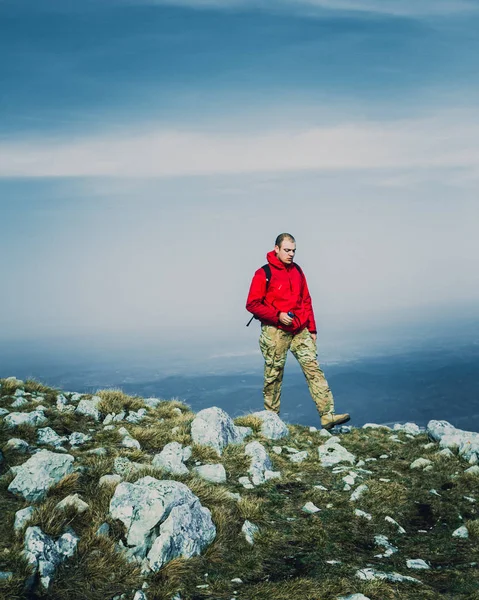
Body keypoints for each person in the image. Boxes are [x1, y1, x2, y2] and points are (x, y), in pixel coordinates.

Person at [246, 233, 350, 430]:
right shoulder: (263, 273)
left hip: (299, 329)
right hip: (275, 330)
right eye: (287, 250)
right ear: (276, 249)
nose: (291, 254)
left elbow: (306, 299)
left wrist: (312, 328)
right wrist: (277, 315)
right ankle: (272, 421)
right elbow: (252, 304)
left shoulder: (297, 270)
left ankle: (327, 415)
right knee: (274, 375)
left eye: (294, 250)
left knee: (313, 369)